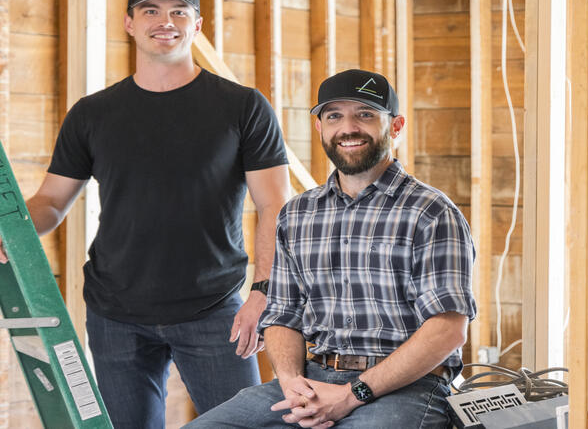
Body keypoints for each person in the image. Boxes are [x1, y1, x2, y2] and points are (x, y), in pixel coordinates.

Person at [0, 0, 290, 429]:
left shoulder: (242, 106)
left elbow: (275, 205)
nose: (166, 21)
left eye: (179, 11)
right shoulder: (93, 113)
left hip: (213, 307)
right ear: (129, 23)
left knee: (247, 425)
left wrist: (263, 291)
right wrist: (13, 228)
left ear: (197, 25)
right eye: (151, 10)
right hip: (114, 313)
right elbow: (51, 201)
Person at [185, 69, 476, 429]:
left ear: (396, 127)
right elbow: (282, 316)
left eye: (365, 114)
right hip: (313, 379)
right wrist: (293, 384)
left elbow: (447, 330)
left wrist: (352, 395)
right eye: (334, 116)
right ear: (320, 128)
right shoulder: (298, 214)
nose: (348, 127)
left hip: (406, 387)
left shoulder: (431, 212)